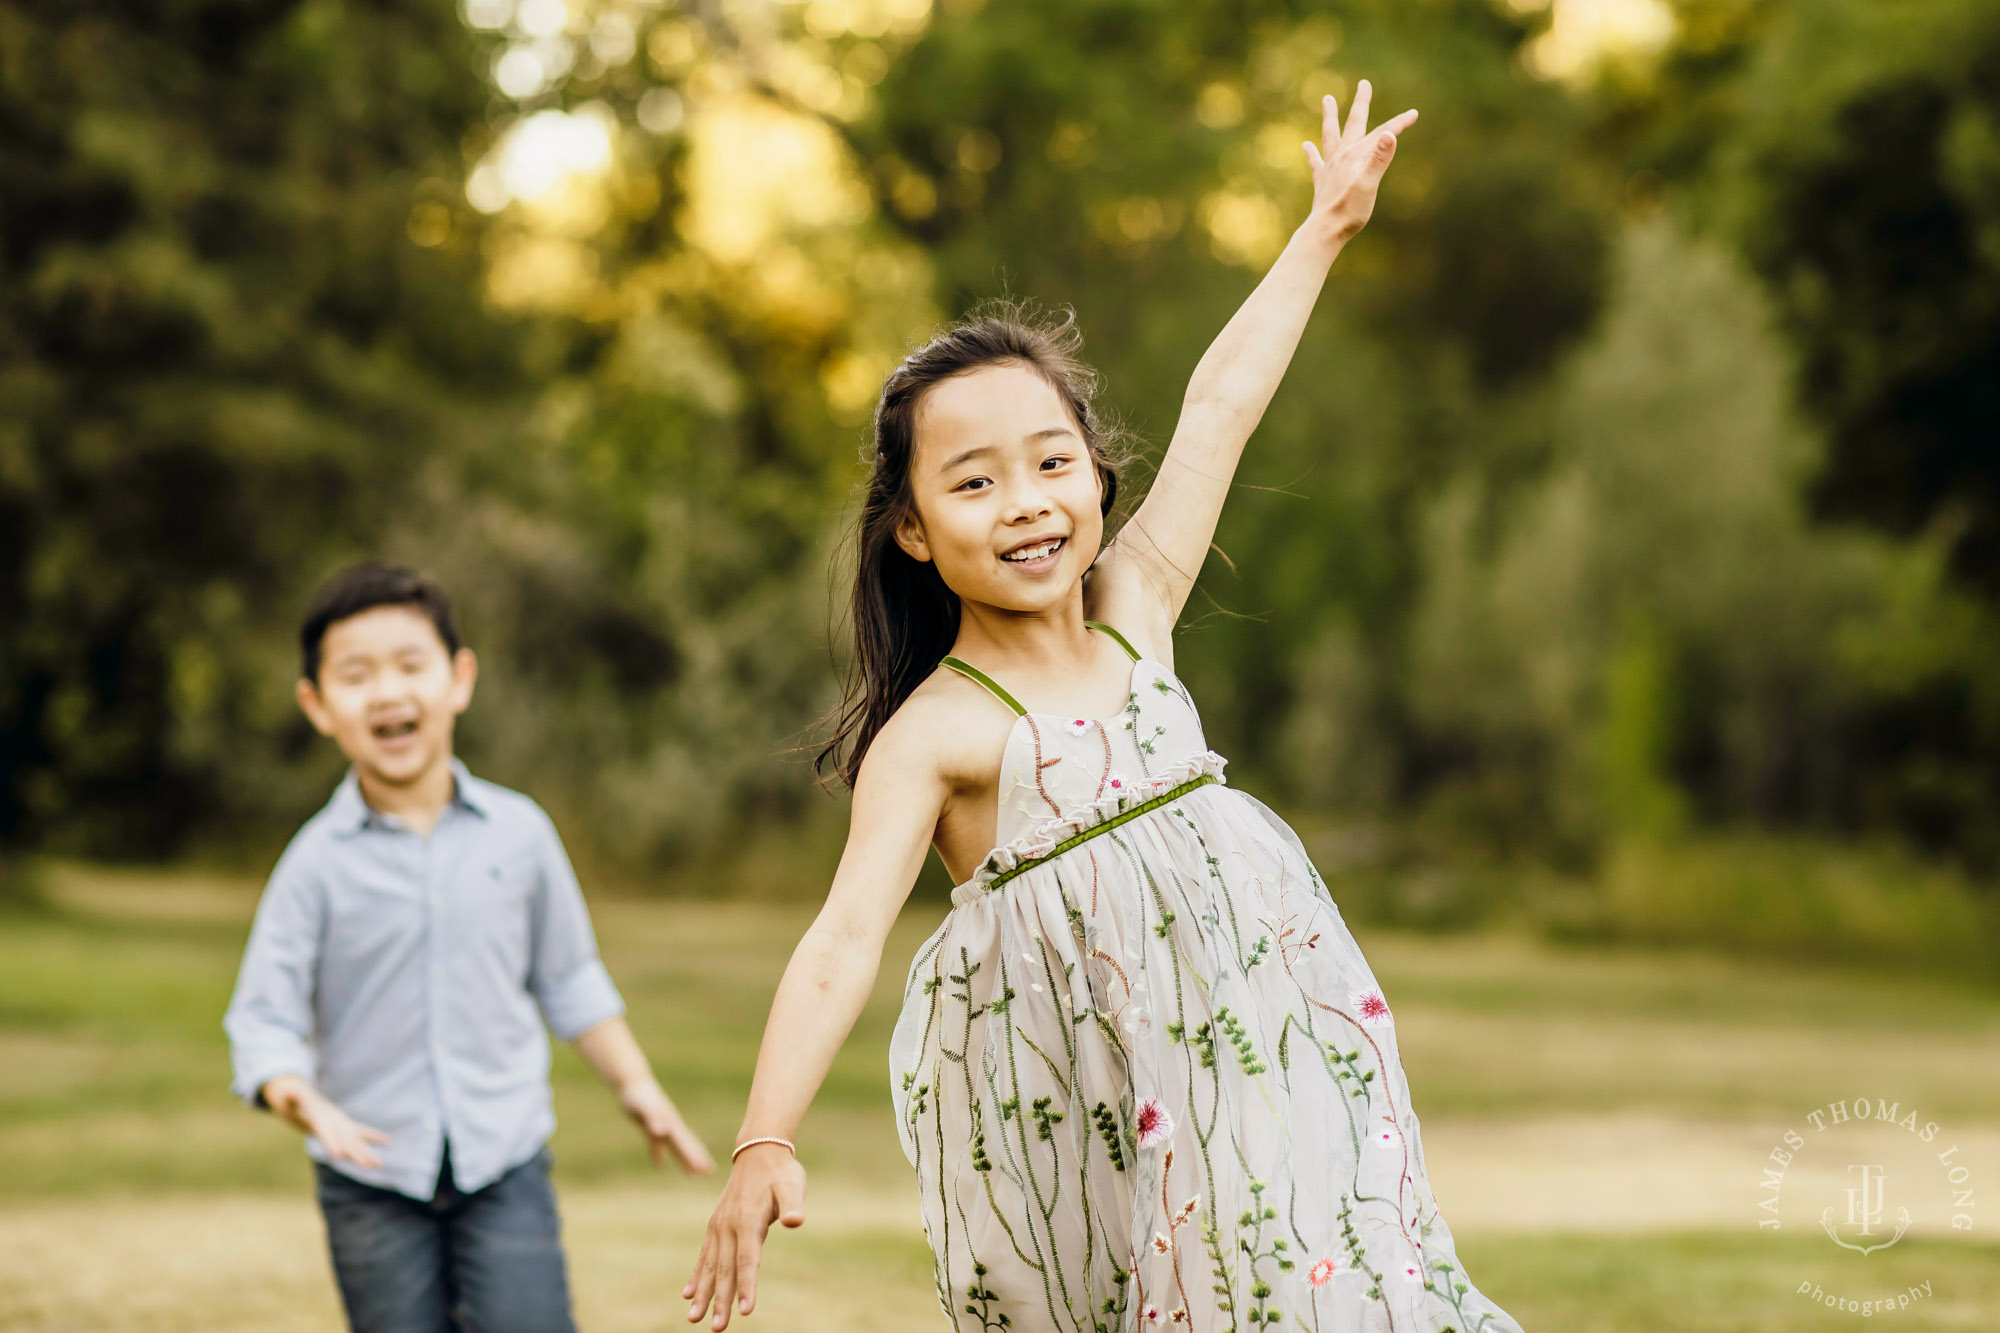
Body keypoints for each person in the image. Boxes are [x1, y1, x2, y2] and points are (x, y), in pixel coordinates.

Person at [684, 81, 1523, 1332]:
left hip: (1257, 1051)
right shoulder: (937, 735)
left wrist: (1323, 231)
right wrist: (764, 1138)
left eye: (1050, 462)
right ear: (910, 531)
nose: (1023, 501)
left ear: (1093, 472)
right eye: (972, 482)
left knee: (1317, 1291)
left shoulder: (1138, 604)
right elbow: (840, 942)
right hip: (1090, 1100)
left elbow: (1222, 404)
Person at [225, 561, 716, 1333]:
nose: (388, 691)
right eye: (356, 675)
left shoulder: (521, 834)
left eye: (410, 665)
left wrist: (638, 1086)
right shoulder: (313, 865)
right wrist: (302, 1099)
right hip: (371, 1175)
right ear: (318, 705)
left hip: (505, 1160)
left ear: (458, 679)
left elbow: (570, 977)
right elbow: (263, 1018)